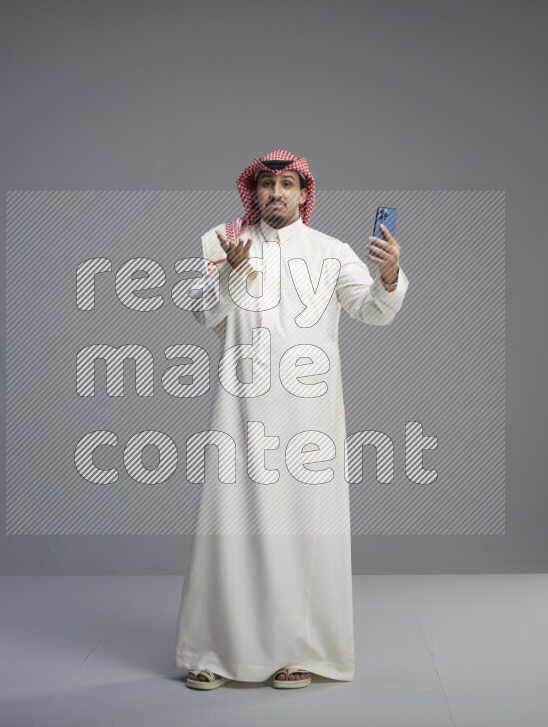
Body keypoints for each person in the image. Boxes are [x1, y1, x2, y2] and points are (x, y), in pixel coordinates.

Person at [174, 149, 409, 690]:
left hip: (309, 419)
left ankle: (296, 651)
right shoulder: (223, 240)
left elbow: (371, 309)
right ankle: (212, 649)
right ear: (252, 192)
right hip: (241, 411)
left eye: (287, 184)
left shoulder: (333, 252)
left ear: (304, 194)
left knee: (303, 532)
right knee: (229, 528)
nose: (276, 193)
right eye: (266, 184)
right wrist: (233, 273)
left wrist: (390, 275)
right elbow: (202, 312)